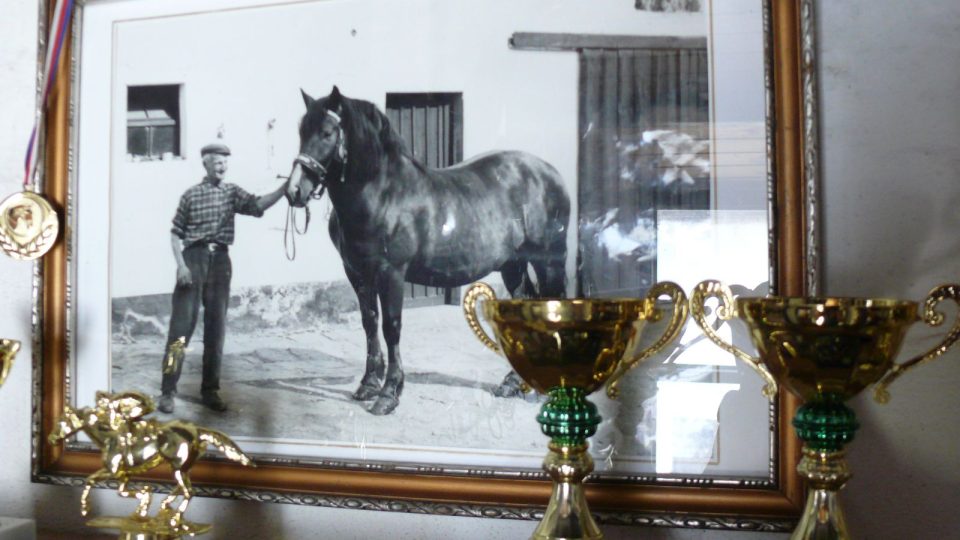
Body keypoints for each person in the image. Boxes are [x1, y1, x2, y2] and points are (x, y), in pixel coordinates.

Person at [158, 142, 286, 413]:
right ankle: (167, 390)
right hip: (193, 261)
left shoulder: (231, 193)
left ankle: (210, 390)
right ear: (205, 163)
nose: (222, 166)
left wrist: (286, 189)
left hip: (221, 263)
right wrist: (181, 265)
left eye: (225, 161)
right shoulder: (191, 195)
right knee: (180, 331)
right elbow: (174, 233)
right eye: (217, 161)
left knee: (216, 331)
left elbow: (257, 204)